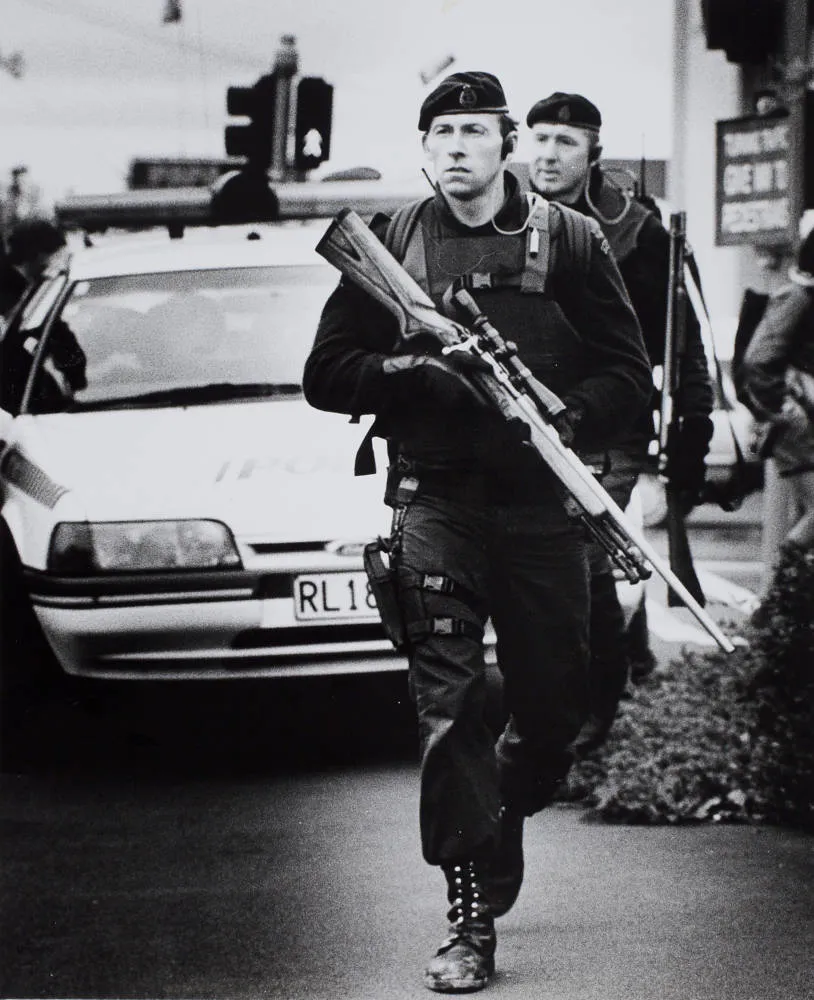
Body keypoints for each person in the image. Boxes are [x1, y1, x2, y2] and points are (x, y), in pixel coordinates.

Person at [302, 71, 651, 993]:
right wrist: (414, 371)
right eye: (440, 131)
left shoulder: (568, 239)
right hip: (435, 503)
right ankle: (466, 922)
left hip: (542, 509)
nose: (456, 146)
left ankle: (502, 806)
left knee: (553, 717)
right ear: (425, 148)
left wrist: (557, 416)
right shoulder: (389, 246)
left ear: (507, 145)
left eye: (473, 131)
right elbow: (327, 373)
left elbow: (630, 376)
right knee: (448, 711)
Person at [524, 92, 715, 754]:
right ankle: (625, 659)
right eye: (540, 139)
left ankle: (596, 704)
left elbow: (681, 337)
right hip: (524, 422)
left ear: (594, 153)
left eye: (565, 142)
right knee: (551, 564)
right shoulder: (508, 220)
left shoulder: (639, 235)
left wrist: (694, 421)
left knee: (581, 561)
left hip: (610, 428)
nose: (548, 155)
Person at [740, 227, 814, 554]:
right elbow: (758, 360)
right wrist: (784, 409)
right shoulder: (798, 297)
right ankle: (780, 596)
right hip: (800, 427)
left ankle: (790, 597)